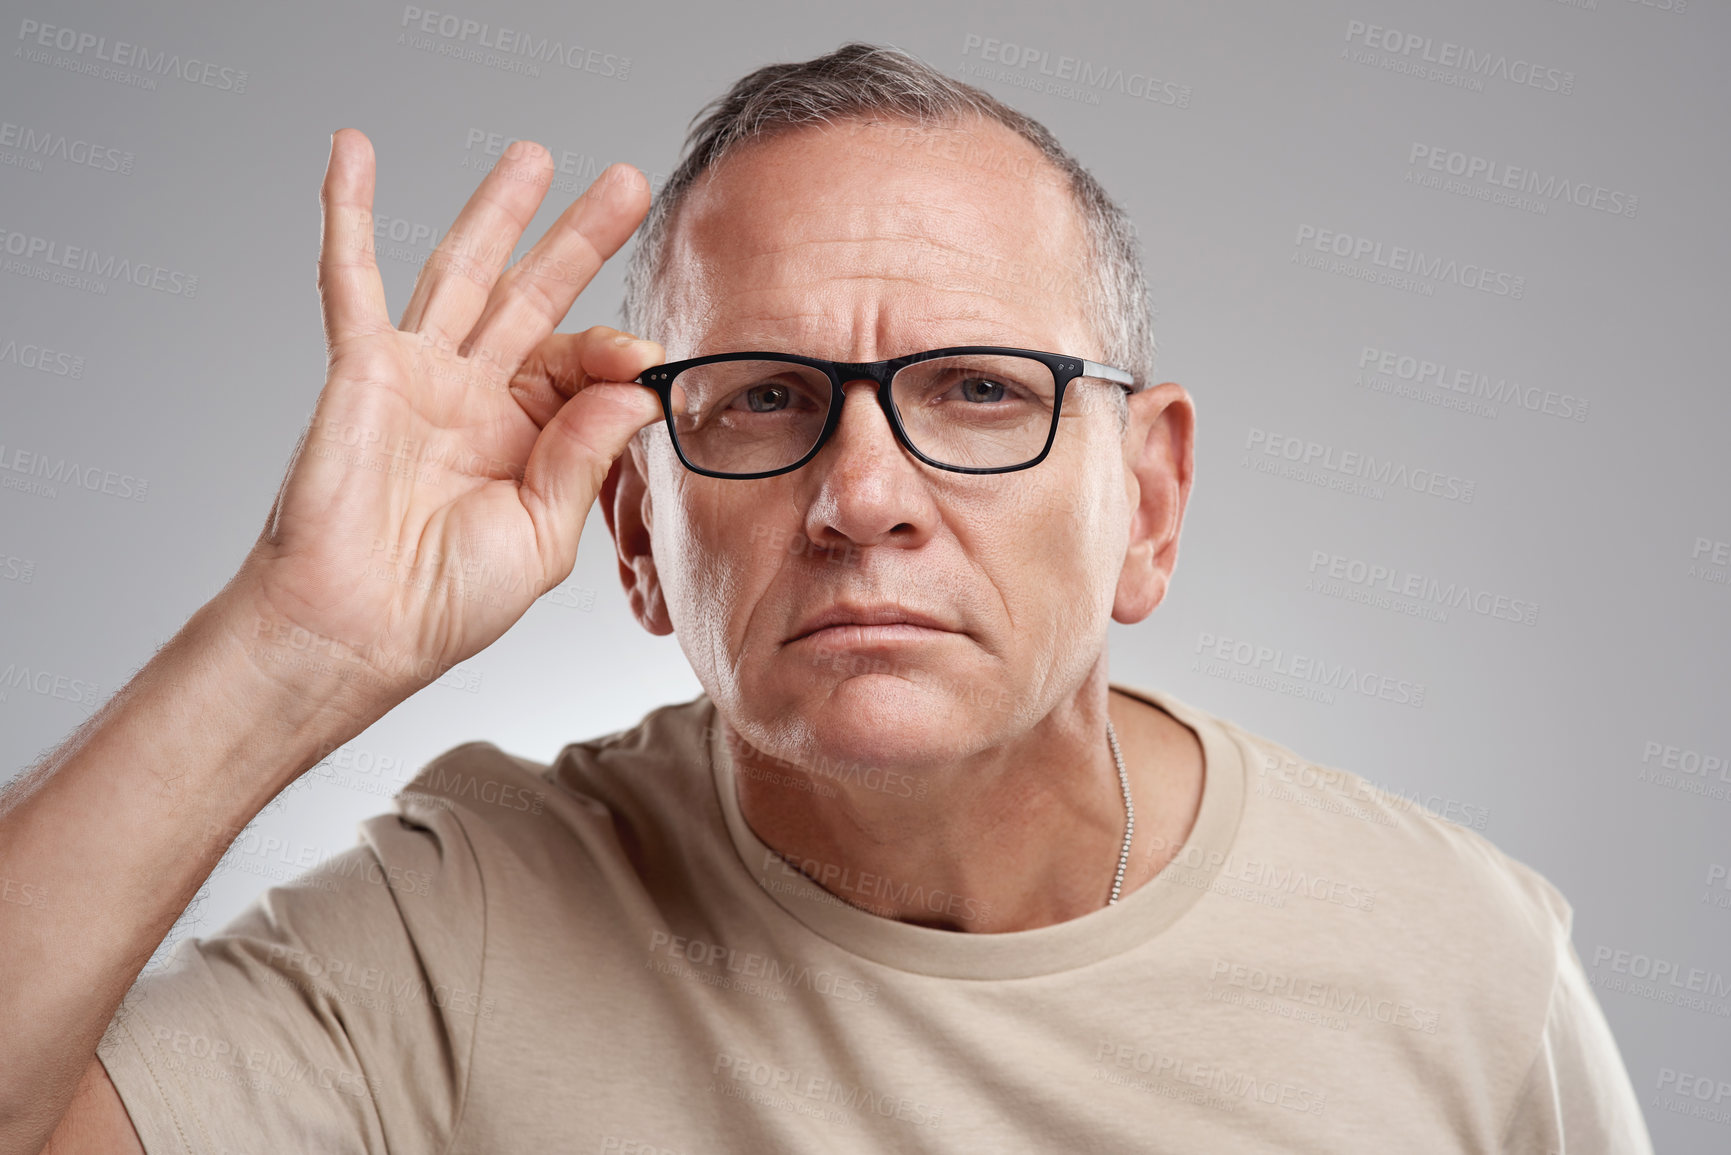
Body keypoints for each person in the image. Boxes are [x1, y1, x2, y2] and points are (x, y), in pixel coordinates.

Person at [3, 42, 1651, 1154]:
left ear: (1148, 502)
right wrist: (288, 648)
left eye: (982, 392)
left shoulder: (1463, 969)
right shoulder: (474, 921)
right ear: (639, 539)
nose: (863, 501)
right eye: (767, 400)